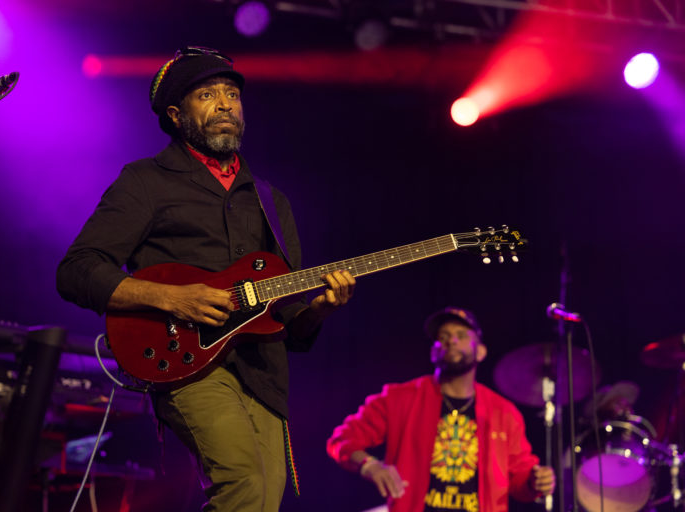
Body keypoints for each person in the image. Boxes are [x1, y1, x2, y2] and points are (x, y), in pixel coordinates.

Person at [56, 45, 355, 511]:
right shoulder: (146, 181)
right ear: (176, 115)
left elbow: (289, 321)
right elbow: (77, 270)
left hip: (263, 374)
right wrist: (173, 299)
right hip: (186, 362)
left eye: (232, 94)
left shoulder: (271, 201)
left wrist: (319, 309)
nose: (224, 105)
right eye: (207, 95)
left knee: (263, 500)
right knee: (242, 483)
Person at [326, 307, 554, 512]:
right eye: (442, 337)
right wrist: (370, 465)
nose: (451, 341)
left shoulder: (503, 412)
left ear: (481, 351)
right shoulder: (399, 399)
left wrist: (536, 482)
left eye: (461, 335)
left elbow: (519, 477)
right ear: (433, 352)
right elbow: (343, 439)